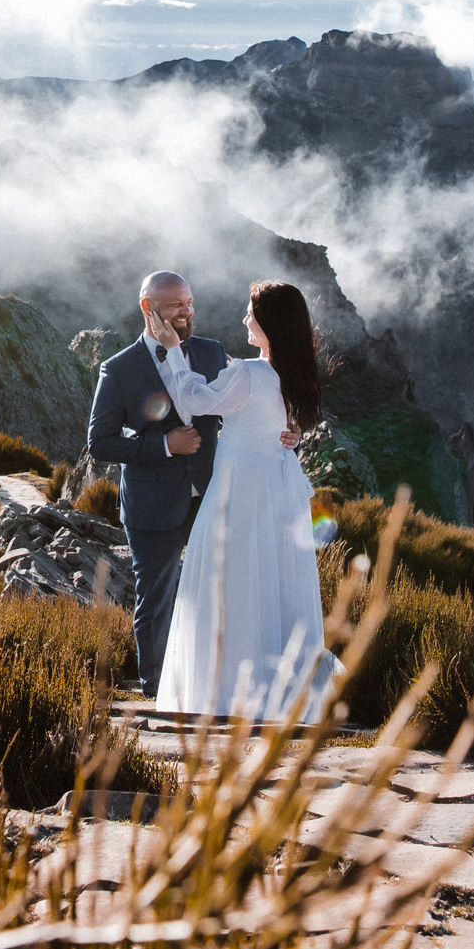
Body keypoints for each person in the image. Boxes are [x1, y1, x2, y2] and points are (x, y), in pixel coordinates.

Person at [146, 279, 332, 722]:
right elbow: (281, 422)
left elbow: (194, 403)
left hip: (239, 490)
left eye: (251, 312)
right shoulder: (291, 372)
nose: (245, 319)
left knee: (230, 580)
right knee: (272, 581)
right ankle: (282, 693)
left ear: (269, 322)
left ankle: (227, 693)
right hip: (279, 488)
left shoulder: (250, 373)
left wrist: (173, 350)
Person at [83, 271, 227, 698]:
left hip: (211, 497)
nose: (187, 312)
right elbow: (99, 443)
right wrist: (165, 445)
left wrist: (285, 426)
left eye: (189, 303)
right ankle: (157, 691)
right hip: (152, 504)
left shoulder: (211, 352)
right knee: (156, 598)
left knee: (219, 592)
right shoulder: (120, 368)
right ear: (148, 308)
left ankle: (210, 683)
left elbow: (238, 405)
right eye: (176, 305)